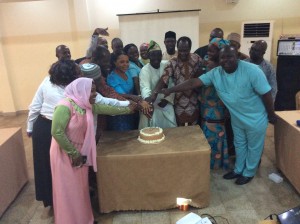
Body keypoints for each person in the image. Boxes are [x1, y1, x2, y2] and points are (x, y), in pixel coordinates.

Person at [160, 45, 276, 185]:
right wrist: (170, 90)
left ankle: (249, 172)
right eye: (223, 57)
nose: (226, 60)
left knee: (253, 147)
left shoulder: (252, 71)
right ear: (219, 59)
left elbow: (266, 93)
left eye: (230, 56)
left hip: (255, 117)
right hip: (237, 117)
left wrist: (271, 115)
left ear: (237, 57)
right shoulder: (216, 73)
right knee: (239, 144)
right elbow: (193, 82)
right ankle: (238, 170)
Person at [50, 77, 135, 224]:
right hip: (64, 152)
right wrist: (73, 153)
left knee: (80, 188)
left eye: (95, 91)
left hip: (80, 152)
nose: (95, 94)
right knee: (68, 190)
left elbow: (108, 109)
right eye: (92, 91)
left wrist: (129, 109)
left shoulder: (86, 105)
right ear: (81, 91)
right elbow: (57, 132)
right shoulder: (65, 106)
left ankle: (84, 219)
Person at [26, 59, 80, 207]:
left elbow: (35, 106)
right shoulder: (69, 92)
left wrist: (30, 127)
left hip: (42, 127)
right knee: (56, 167)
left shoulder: (47, 81)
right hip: (55, 130)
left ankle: (56, 200)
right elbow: (36, 105)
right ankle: (59, 201)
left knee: (49, 166)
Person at [150, 36, 204, 126]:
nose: (183, 53)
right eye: (180, 50)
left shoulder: (197, 59)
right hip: (179, 101)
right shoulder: (172, 62)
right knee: (180, 130)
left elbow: (203, 73)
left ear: (190, 48)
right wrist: (154, 93)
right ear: (177, 48)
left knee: (194, 129)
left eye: (186, 50)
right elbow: (164, 78)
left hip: (194, 101)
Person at [199, 38, 230, 170]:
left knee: (216, 131)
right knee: (205, 130)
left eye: (213, 50)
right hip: (205, 101)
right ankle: (205, 162)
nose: (209, 51)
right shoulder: (206, 60)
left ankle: (215, 163)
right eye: (209, 48)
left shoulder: (226, 66)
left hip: (218, 102)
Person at [139, 40, 177, 129]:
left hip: (166, 102)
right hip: (151, 102)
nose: (157, 58)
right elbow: (145, 87)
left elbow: (172, 83)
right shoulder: (145, 70)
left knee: (171, 130)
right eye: (153, 55)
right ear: (148, 56)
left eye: (159, 55)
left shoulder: (166, 65)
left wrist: (167, 100)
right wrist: (149, 101)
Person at [107, 51, 140, 130]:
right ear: (115, 62)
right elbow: (118, 94)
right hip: (120, 112)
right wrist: (134, 97)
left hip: (132, 108)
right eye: (122, 62)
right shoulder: (112, 77)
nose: (125, 64)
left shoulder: (128, 72)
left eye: (127, 62)